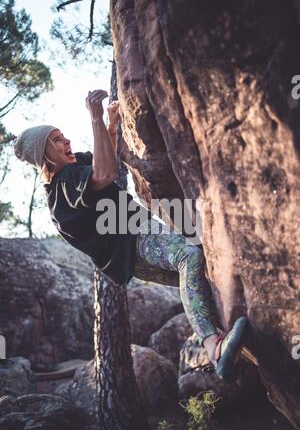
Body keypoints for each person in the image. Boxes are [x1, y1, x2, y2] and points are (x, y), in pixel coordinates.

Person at [14, 89, 248, 382]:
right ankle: (214, 345)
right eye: (57, 140)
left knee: (198, 279)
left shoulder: (73, 170)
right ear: (44, 155)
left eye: (63, 135)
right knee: (190, 254)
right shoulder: (64, 184)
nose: (67, 141)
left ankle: (226, 347)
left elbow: (104, 160)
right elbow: (104, 175)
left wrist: (111, 127)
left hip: (128, 258)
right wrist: (96, 118)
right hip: (134, 240)